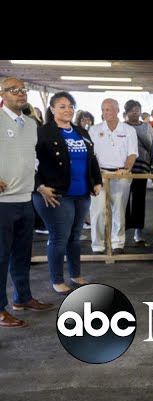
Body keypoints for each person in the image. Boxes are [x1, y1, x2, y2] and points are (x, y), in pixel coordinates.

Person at [34, 92, 103, 294]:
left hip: (81, 194)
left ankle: (75, 274)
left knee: (75, 236)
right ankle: (57, 280)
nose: (68, 110)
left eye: (71, 106)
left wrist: (97, 181)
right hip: (55, 194)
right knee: (59, 237)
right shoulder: (42, 133)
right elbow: (29, 163)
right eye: (62, 106)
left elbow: (92, 159)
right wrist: (40, 186)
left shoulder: (81, 132)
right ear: (52, 109)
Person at [0, 77, 55, 328]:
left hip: (25, 197)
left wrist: (37, 183)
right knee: (1, 256)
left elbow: (32, 158)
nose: (20, 94)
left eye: (23, 90)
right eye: (14, 90)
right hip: (3, 202)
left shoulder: (32, 124)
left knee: (22, 255)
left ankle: (22, 298)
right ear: (3, 94)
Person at [88, 99, 138, 255]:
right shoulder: (94, 130)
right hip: (100, 174)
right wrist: (95, 172)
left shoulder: (129, 130)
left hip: (120, 174)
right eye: (103, 109)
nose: (105, 112)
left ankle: (118, 243)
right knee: (97, 211)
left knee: (119, 210)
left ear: (117, 110)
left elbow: (132, 154)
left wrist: (126, 168)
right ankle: (97, 245)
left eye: (108, 109)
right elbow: (90, 155)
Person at [124, 100, 153, 244]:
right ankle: (123, 229)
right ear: (126, 112)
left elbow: (151, 145)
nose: (134, 112)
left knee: (139, 198)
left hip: (142, 165)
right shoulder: (122, 126)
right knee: (123, 199)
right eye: (131, 110)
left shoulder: (147, 126)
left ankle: (138, 230)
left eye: (137, 109)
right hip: (124, 167)